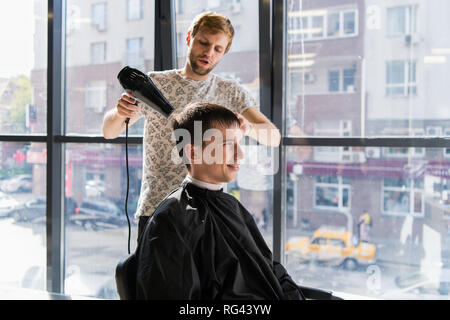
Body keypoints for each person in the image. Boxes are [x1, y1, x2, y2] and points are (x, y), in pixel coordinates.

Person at [102, 12, 281, 241]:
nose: (209, 52)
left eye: (218, 49)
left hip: (208, 212)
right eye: (203, 43)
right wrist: (119, 112)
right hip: (157, 207)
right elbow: (109, 132)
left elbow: (273, 138)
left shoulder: (230, 91)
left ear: (224, 53)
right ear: (189, 37)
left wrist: (251, 127)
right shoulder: (155, 83)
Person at [135, 102, 305, 299]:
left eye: (239, 143)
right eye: (227, 144)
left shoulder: (230, 204)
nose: (240, 154)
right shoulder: (171, 220)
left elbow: (267, 267)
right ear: (192, 152)